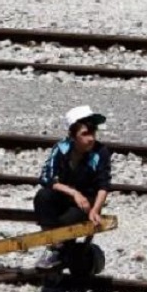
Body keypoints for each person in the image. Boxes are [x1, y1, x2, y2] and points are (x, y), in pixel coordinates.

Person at [33, 105, 112, 271]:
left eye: (93, 133)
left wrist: (95, 210)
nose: (91, 138)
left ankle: (56, 251)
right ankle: (53, 246)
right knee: (43, 196)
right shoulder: (61, 149)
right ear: (72, 136)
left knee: (65, 222)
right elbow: (46, 177)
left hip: (87, 201)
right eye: (85, 134)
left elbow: (103, 185)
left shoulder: (100, 152)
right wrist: (74, 193)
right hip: (68, 196)